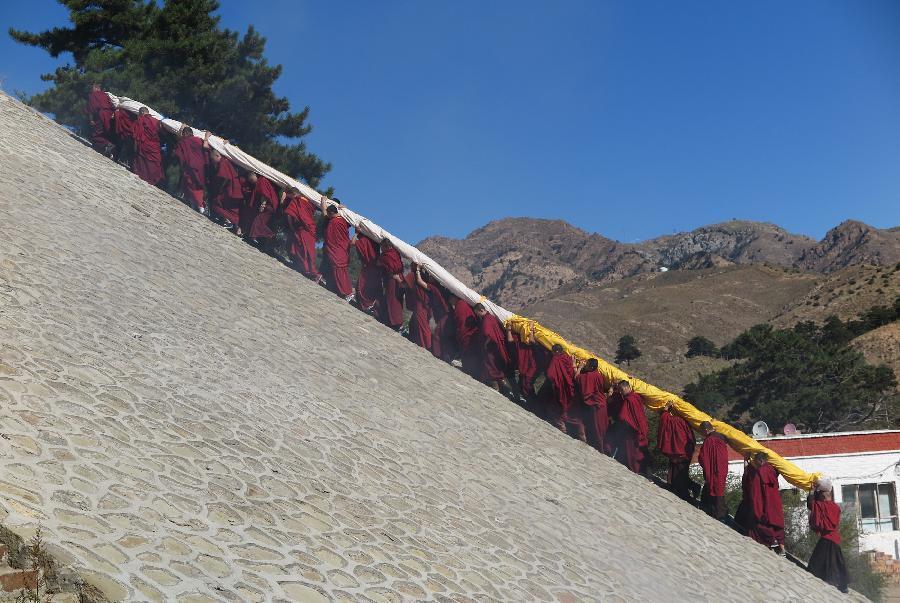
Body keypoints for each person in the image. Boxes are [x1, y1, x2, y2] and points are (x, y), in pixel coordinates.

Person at [806, 479, 849, 593]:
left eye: (820, 495)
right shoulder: (836, 508)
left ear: (823, 496)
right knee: (837, 562)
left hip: (826, 538)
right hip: (834, 538)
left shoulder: (821, 506)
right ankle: (843, 585)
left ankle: (816, 582)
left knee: (816, 562)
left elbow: (810, 504)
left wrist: (812, 491)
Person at [746, 452, 786, 553]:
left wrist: (757, 508)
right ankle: (782, 549)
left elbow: (756, 492)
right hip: (775, 503)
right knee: (778, 526)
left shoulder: (760, 472)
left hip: (765, 503)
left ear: (760, 460)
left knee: (760, 525)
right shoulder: (772, 471)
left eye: (756, 461)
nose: (755, 464)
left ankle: (771, 541)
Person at [607, 381, 649, 474]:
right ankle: (643, 471)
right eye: (619, 390)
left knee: (633, 453)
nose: (621, 392)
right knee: (640, 452)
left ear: (627, 387)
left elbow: (623, 417)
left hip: (632, 431)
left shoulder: (629, 400)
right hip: (642, 427)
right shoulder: (636, 396)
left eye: (621, 390)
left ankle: (636, 471)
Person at [656, 402, 696, 501]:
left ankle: (683, 492)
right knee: (680, 472)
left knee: (678, 473)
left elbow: (664, 419)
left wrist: (666, 409)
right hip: (685, 451)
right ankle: (677, 488)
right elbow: (691, 437)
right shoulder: (685, 422)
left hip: (677, 451)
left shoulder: (673, 420)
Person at [473, 304, 515, 394]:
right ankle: (507, 390)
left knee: (492, 368)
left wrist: (485, 344)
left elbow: (488, 334)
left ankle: (500, 389)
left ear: (481, 310)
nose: (477, 315)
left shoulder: (486, 320)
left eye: (477, 313)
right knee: (497, 368)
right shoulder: (491, 317)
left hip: (491, 348)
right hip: (497, 347)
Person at [282, 188, 322, 282]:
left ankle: (313, 273)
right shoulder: (309, 201)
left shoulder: (296, 201)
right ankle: (308, 271)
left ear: (292, 194)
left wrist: (291, 227)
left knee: (302, 250)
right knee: (308, 251)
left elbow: (289, 214)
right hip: (311, 228)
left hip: (302, 229)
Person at [204, 136, 243, 231]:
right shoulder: (223, 161)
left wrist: (220, 188)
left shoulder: (224, 162)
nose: (212, 161)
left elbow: (226, 177)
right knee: (225, 207)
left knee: (217, 203)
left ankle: (229, 222)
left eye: (213, 158)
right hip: (231, 188)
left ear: (217, 156)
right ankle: (229, 222)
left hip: (231, 189)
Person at [319, 198, 353, 301]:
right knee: (335, 269)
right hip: (340, 248)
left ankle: (347, 292)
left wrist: (323, 202)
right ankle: (336, 288)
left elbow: (324, 214)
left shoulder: (336, 221)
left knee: (339, 270)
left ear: (331, 213)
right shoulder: (341, 220)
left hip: (337, 249)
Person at [538, 345, 576, 433]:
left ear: (555, 352)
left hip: (558, 386)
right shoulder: (567, 357)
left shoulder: (556, 358)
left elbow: (550, 374)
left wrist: (553, 383)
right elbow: (570, 372)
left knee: (553, 406)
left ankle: (561, 427)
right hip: (567, 385)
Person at [573, 358, 608, 451]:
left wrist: (579, 368)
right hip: (602, 404)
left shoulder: (590, 376)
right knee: (597, 428)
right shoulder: (598, 375)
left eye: (587, 364)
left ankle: (600, 449)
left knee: (597, 429)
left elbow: (577, 378)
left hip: (596, 405)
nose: (585, 365)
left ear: (591, 367)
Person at [173, 126, 207, 214]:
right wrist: (206, 136)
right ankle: (194, 203)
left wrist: (181, 128)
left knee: (192, 185)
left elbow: (178, 151)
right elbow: (206, 147)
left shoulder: (184, 141)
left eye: (183, 134)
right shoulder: (198, 140)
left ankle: (200, 206)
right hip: (201, 167)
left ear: (186, 133)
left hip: (190, 166)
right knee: (195, 185)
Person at [697, 421, 728, 518]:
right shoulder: (721, 438)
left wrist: (706, 466)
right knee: (718, 489)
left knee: (714, 489)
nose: (702, 434)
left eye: (702, 431)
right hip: (722, 469)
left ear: (706, 430)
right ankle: (718, 512)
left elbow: (703, 457)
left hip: (713, 470)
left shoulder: (709, 440)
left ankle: (718, 514)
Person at [245, 173, 280, 249]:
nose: (251, 182)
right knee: (259, 221)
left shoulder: (262, 181)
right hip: (268, 205)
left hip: (269, 206)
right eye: (250, 181)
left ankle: (270, 235)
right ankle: (256, 238)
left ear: (255, 176)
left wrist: (263, 205)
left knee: (258, 220)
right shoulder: (259, 182)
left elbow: (264, 194)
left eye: (252, 179)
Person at [132, 107, 163, 186]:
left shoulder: (140, 120)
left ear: (141, 113)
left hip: (144, 145)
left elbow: (136, 135)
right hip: (154, 147)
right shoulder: (157, 121)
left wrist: (135, 146)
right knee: (155, 164)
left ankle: (142, 177)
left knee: (142, 162)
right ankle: (154, 180)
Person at [450, 294, 480, 376]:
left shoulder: (460, 305)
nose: (450, 301)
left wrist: (460, 334)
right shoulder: (462, 304)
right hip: (470, 333)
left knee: (468, 353)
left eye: (451, 299)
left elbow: (462, 323)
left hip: (467, 334)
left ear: (454, 298)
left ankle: (470, 371)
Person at [378, 238, 405, 330]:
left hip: (392, 279)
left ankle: (394, 322)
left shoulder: (385, 256)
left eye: (382, 247)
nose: (381, 249)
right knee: (397, 301)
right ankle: (397, 322)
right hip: (400, 277)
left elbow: (379, 264)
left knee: (392, 301)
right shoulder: (395, 253)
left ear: (386, 246)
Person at [406, 263, 434, 349]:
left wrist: (417, 269)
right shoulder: (424, 276)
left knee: (423, 325)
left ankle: (427, 344)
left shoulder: (428, 283)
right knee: (414, 323)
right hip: (423, 305)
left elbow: (419, 282)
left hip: (422, 305)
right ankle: (415, 339)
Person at [354, 233, 383, 313]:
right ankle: (370, 307)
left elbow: (353, 242)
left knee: (362, 287)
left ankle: (364, 305)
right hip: (376, 269)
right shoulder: (375, 242)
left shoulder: (364, 241)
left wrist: (356, 233)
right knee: (372, 289)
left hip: (368, 268)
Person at [85, 83, 115, 154]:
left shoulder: (93, 95)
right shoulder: (105, 95)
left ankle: (108, 144)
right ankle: (104, 149)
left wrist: (91, 120)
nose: (91, 90)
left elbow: (91, 109)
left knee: (96, 135)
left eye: (92, 88)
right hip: (110, 116)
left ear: (96, 88)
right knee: (104, 133)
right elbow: (111, 105)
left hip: (101, 116)